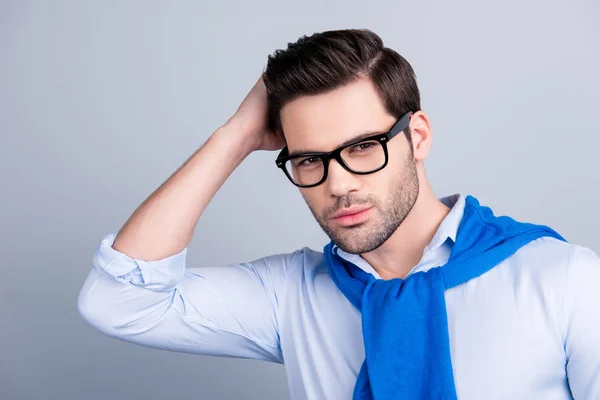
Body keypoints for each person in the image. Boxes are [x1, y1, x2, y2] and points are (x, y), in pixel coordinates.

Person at [77, 29, 600, 399]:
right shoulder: (292, 295)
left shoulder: (563, 279)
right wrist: (233, 137)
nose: (338, 184)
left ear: (416, 137)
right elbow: (118, 301)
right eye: (310, 159)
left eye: (364, 147)